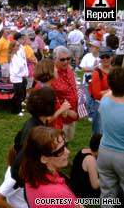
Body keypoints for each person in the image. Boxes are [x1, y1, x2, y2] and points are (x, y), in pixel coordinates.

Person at [19, 126, 80, 208]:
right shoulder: (58, 194)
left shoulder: (30, 175)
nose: (68, 152)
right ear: (44, 159)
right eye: (60, 150)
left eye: (65, 145)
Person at [97, 67, 124, 205]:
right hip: (122, 155)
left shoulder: (104, 102)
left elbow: (109, 94)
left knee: (107, 194)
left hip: (104, 152)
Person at [34, 59, 72, 130]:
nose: (57, 70)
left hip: (55, 130)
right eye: (54, 68)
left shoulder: (49, 87)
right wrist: (61, 109)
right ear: (49, 71)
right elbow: (45, 120)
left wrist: (63, 110)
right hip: (48, 133)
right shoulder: (42, 92)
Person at [52, 46, 78, 141]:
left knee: (67, 142)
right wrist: (66, 111)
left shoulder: (69, 70)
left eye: (68, 59)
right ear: (55, 59)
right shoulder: (52, 74)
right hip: (60, 119)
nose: (66, 62)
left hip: (72, 116)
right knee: (58, 144)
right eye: (62, 59)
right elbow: (52, 99)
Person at [89, 47, 113, 134]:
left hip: (113, 104)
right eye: (103, 57)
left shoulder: (114, 70)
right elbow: (97, 95)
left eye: (107, 56)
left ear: (112, 57)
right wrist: (113, 90)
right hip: (100, 106)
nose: (105, 59)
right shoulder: (97, 72)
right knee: (99, 133)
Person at [70, 134, 102, 198]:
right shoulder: (90, 160)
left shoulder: (83, 150)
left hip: (75, 187)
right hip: (84, 195)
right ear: (99, 149)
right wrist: (108, 177)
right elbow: (95, 185)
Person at [80, 41, 100, 120]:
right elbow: (83, 69)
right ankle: (91, 115)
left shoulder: (101, 57)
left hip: (97, 82)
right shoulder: (87, 56)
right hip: (87, 82)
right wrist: (93, 69)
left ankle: (96, 114)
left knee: (96, 99)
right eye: (90, 46)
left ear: (98, 48)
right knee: (88, 100)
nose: (90, 48)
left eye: (93, 46)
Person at [9, 36, 28, 117]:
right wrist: (22, 70)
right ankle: (16, 110)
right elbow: (16, 69)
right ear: (13, 47)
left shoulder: (17, 54)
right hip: (16, 77)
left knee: (20, 93)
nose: (19, 46)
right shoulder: (12, 56)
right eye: (17, 45)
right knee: (17, 95)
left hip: (20, 76)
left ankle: (19, 107)